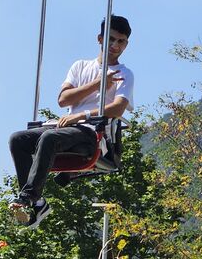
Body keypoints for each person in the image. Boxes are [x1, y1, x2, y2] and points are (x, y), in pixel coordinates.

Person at [9, 15, 134, 228]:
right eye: (111, 39)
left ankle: (28, 197)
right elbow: (63, 99)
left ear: (126, 44)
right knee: (18, 139)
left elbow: (117, 108)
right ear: (100, 39)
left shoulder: (124, 74)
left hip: (91, 133)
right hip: (66, 129)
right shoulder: (80, 67)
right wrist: (98, 84)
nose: (115, 45)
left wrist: (81, 115)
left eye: (120, 41)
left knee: (49, 138)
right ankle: (38, 203)